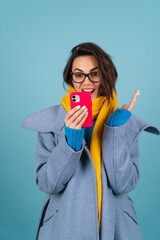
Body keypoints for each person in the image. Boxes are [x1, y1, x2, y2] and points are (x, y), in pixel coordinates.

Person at [21, 42, 159, 240]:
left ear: (106, 76)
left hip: (116, 228)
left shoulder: (124, 121)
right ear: (71, 79)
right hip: (65, 228)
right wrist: (71, 142)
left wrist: (115, 129)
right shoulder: (50, 123)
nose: (87, 82)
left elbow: (123, 185)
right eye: (78, 74)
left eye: (95, 73)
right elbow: (48, 184)